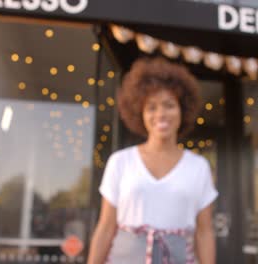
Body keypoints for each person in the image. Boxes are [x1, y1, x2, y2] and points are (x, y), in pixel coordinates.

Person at [87, 57, 218, 264]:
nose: (161, 114)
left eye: (169, 105)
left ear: (183, 110)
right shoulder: (120, 162)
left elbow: (204, 232)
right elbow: (105, 227)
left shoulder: (198, 167)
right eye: (151, 107)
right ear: (140, 112)